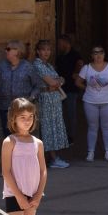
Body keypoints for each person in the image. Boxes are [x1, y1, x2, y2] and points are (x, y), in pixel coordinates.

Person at [0, 40, 41, 137]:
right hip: (5, 107)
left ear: (17, 51)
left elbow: (38, 85)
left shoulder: (28, 67)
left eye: (8, 49)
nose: (5, 51)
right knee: (9, 138)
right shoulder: (1, 65)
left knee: (23, 137)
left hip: (23, 110)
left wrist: (30, 99)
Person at [76, 45, 108, 162]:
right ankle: (91, 152)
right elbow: (78, 82)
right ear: (92, 56)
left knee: (106, 126)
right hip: (90, 101)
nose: (98, 55)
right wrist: (87, 88)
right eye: (95, 53)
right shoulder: (86, 68)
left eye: (100, 52)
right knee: (92, 127)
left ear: (104, 54)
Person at [32, 40, 71, 169]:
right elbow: (53, 82)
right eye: (43, 49)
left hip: (54, 100)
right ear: (38, 51)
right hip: (46, 99)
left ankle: (53, 157)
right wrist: (57, 81)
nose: (46, 52)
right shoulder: (38, 65)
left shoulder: (48, 65)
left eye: (48, 50)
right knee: (48, 128)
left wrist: (58, 81)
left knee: (53, 127)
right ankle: (53, 158)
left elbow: (61, 79)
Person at [55, 35, 84, 147]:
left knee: (71, 113)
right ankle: (62, 136)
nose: (59, 46)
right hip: (60, 89)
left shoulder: (75, 55)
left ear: (66, 43)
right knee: (60, 114)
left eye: (60, 43)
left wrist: (76, 73)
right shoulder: (60, 57)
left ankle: (71, 136)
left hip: (71, 89)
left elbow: (80, 64)